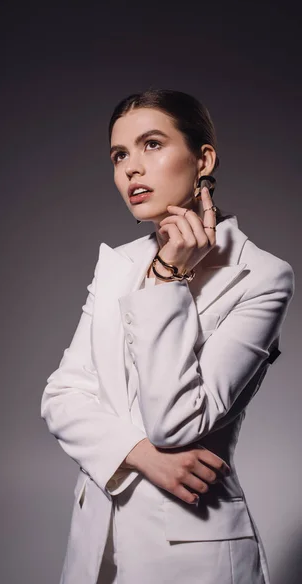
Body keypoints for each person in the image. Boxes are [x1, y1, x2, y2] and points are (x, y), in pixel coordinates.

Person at [40, 89, 295, 584]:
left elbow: (176, 424)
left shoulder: (262, 276)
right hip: (95, 545)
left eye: (152, 144)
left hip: (193, 549)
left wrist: (167, 280)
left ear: (203, 159)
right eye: (120, 155)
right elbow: (61, 396)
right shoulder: (118, 264)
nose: (132, 168)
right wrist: (140, 456)